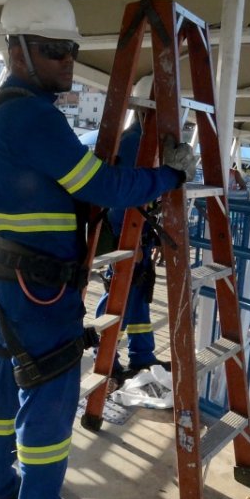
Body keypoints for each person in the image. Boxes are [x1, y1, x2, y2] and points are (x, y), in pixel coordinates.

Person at [0, 0, 196, 499]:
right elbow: (103, 185)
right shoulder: (31, 117)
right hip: (35, 289)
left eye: (70, 50)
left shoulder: (2, 110)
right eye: (53, 50)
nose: (67, 62)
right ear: (17, 49)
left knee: (4, 380)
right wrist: (168, 177)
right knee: (48, 399)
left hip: (5, 278)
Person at [94, 109, 172, 383]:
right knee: (118, 295)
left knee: (137, 295)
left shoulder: (148, 142)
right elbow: (122, 194)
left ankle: (142, 355)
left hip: (139, 231)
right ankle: (105, 358)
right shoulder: (132, 143)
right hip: (125, 232)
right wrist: (128, 241)